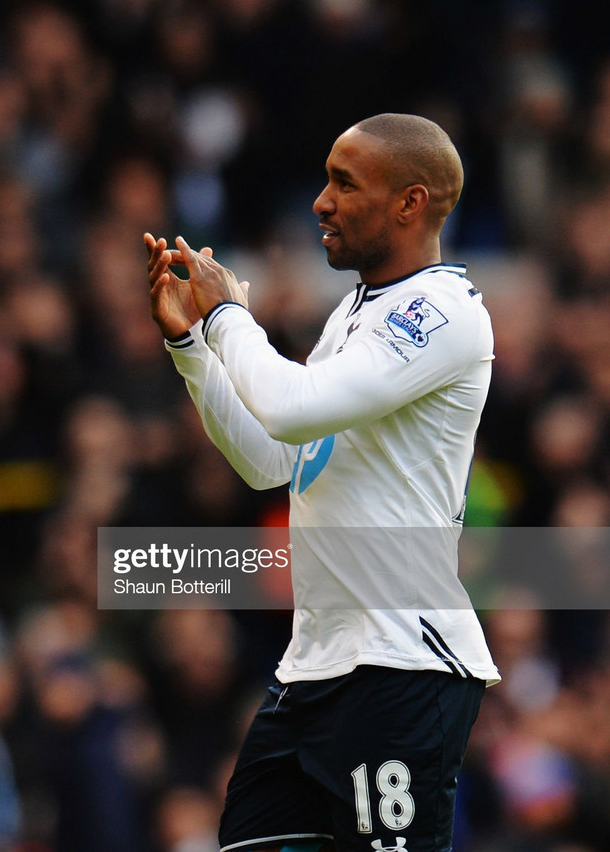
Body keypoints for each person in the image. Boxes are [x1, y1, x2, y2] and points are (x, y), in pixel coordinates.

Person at [144, 114, 498, 851]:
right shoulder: (356, 312)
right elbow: (273, 459)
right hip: (316, 670)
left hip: (400, 668)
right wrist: (191, 345)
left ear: (411, 201)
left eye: (345, 182)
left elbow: (292, 409)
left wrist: (231, 316)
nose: (320, 201)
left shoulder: (442, 314)